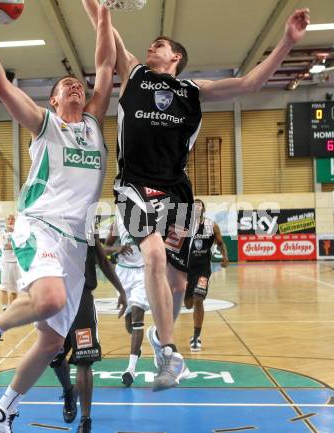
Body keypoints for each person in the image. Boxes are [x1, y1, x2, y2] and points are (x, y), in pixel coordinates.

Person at [82, 0, 309, 390]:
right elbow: (102, 25)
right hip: (134, 183)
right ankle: (169, 351)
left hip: (178, 191)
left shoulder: (193, 89)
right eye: (151, 44)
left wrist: (287, 41)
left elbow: (250, 84)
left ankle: (158, 335)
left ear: (177, 57)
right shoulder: (134, 71)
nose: (152, 48)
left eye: (160, 45)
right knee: (152, 253)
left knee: (176, 285)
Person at [0, 1, 116, 431]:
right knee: (50, 300)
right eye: (64, 85)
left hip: (75, 243)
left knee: (52, 341)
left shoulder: (93, 126)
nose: (74, 87)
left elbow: (105, 64)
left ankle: (4, 409)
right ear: (52, 99)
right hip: (40, 225)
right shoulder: (44, 124)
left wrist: (104, 17)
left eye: (77, 85)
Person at [51, 234, 126, 433]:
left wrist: (121, 290)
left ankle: (86, 419)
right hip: (55, 298)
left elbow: (102, 260)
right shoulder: (47, 222)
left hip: (81, 299)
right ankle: (69, 391)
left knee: (84, 359)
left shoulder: (87, 228)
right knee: (54, 356)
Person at [104, 208, 149, 386]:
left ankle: (130, 369)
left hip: (142, 272)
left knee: (138, 314)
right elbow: (105, 248)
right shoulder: (118, 220)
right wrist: (117, 248)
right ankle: (136, 349)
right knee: (129, 323)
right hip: (123, 274)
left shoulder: (150, 218)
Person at [184, 199, 228, 352]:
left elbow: (221, 243)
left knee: (198, 299)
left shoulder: (212, 225)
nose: (197, 208)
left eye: (199, 206)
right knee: (188, 304)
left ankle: (196, 337)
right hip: (185, 270)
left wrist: (225, 257)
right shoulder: (184, 226)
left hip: (203, 270)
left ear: (203, 209)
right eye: (194, 206)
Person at [0, 214, 20, 311]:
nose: (11, 220)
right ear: (6, 221)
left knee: (14, 290)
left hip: (16, 263)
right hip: (4, 263)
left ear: (15, 221)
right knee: (3, 287)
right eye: (9, 219)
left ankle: (11, 310)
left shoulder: (19, 233)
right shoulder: (1, 233)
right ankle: (4, 309)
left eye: (12, 219)